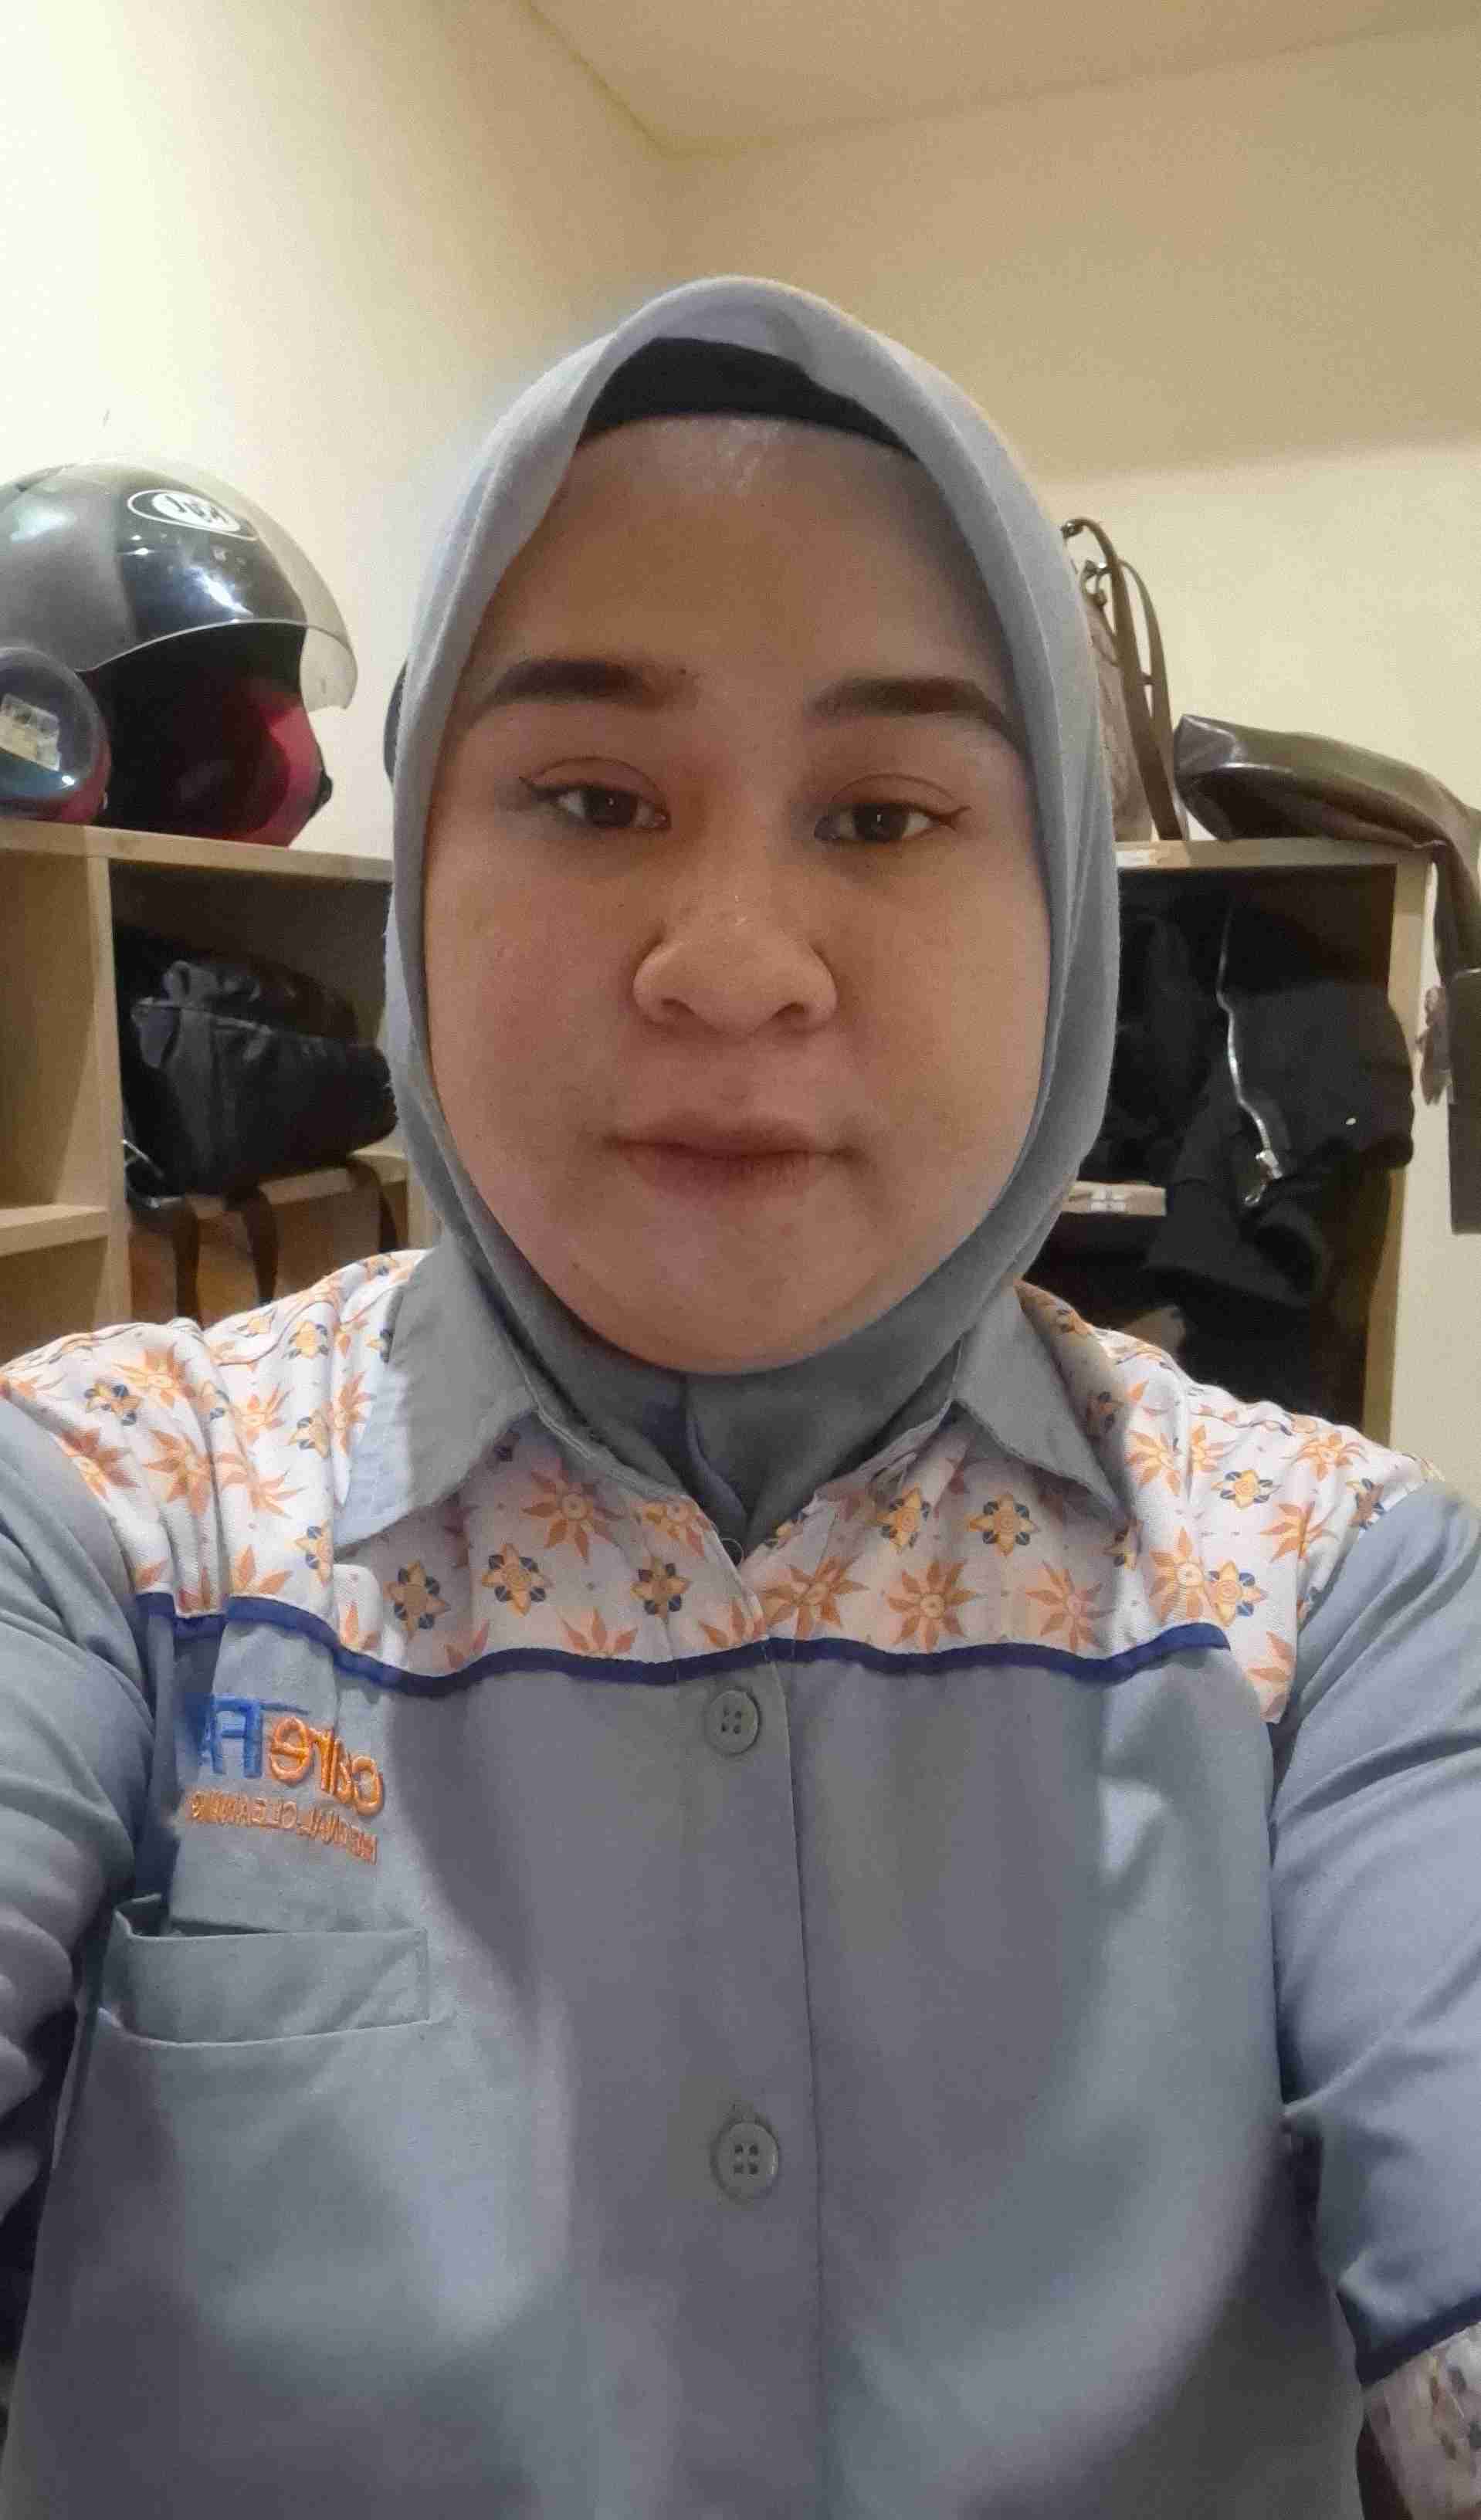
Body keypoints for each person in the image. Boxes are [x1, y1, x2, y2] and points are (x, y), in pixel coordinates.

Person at [0, 273, 1474, 2518]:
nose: (730, 967)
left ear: (1071, 919)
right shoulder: (112, 1524)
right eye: (591, 796)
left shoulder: (1333, 1601)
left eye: (884, 818)